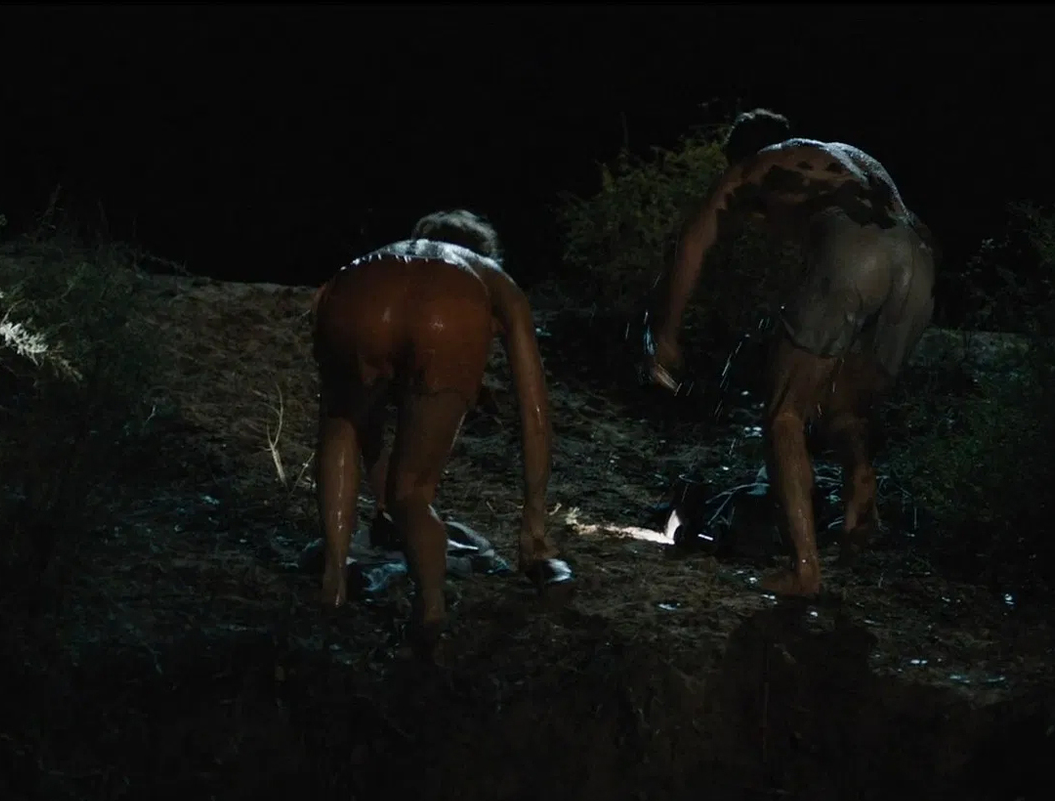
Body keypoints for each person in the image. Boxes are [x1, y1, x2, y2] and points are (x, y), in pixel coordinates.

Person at [645, 109, 937, 598]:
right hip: (918, 263)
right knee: (843, 405)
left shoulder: (754, 166)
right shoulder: (848, 159)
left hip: (855, 254)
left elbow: (691, 245)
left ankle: (804, 569)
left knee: (784, 415)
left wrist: (667, 334)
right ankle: (861, 475)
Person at [311, 209, 573, 651]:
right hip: (448, 317)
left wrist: (381, 500)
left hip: (357, 291)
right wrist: (534, 522)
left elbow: (362, 426)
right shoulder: (492, 281)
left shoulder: (386, 257)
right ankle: (430, 611)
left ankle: (333, 581)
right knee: (413, 492)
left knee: (341, 425)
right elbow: (534, 414)